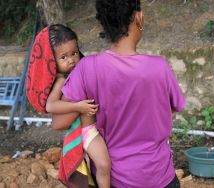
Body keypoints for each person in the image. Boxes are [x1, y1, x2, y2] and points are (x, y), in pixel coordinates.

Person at [51, 0, 186, 187]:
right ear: (139, 18)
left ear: (103, 25)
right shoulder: (159, 67)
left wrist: (89, 106)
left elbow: (59, 123)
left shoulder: (87, 68)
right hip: (160, 177)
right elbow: (174, 107)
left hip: (115, 180)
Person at [42, 24, 111, 188]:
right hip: (88, 131)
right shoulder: (61, 79)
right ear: (53, 61)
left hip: (102, 126)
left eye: (74, 53)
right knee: (104, 165)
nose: (71, 60)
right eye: (63, 57)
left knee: (104, 166)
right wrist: (78, 107)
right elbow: (50, 106)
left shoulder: (83, 68)